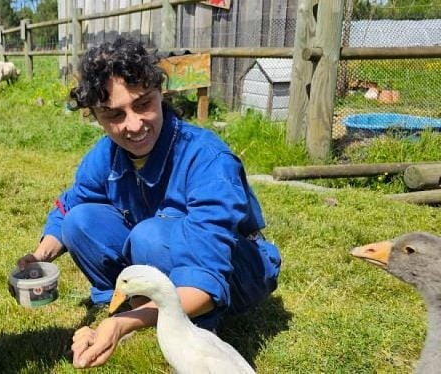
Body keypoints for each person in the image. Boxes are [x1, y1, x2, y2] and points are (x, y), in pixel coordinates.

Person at [16, 38, 282, 369]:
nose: (132, 125)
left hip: (238, 270)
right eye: (113, 114)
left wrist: (123, 324)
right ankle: (129, 308)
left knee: (149, 236)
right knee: (79, 222)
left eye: (143, 104)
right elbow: (71, 205)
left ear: (161, 93)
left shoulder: (207, 159)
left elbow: (208, 272)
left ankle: (192, 327)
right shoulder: (107, 154)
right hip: (165, 254)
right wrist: (40, 257)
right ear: (96, 116)